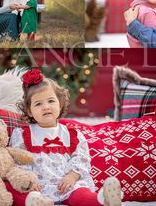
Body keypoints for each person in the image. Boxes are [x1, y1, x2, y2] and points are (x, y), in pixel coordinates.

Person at [7, 69, 122, 206]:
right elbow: (19, 159)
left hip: (66, 184)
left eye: (51, 101)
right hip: (37, 186)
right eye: (38, 104)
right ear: (29, 111)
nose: (46, 107)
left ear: (60, 104)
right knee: (14, 189)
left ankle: (102, 200)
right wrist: (29, 181)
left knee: (79, 191)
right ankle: (37, 203)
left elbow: (82, 157)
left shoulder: (71, 134)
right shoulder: (23, 134)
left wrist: (72, 176)